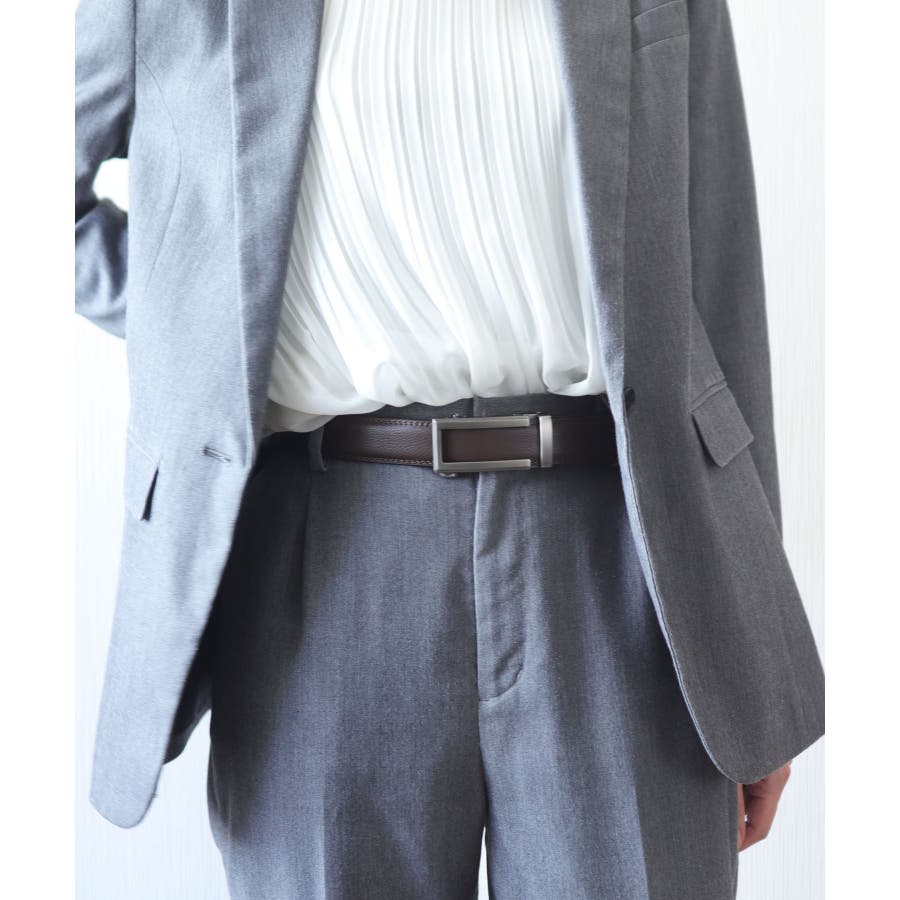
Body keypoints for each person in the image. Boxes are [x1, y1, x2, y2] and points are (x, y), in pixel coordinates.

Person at [75, 0, 825, 897]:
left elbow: (718, 274)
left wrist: (744, 644)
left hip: (623, 554)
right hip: (323, 558)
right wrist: (203, 323)